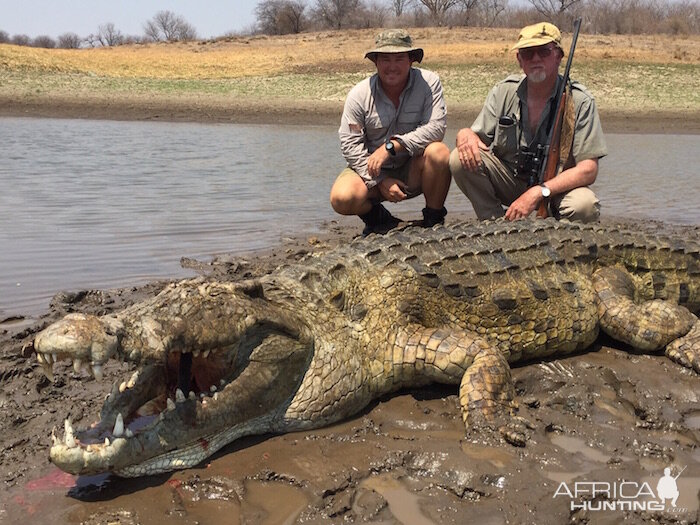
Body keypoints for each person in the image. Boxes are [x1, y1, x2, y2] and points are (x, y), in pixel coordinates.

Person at [450, 22, 607, 223]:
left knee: (584, 206)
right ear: (519, 59)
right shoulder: (503, 91)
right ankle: (494, 226)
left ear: (558, 56)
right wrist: (464, 134)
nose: (535, 59)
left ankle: (560, 237)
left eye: (543, 51)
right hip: (511, 182)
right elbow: (476, 137)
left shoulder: (580, 100)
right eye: (527, 53)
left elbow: (588, 169)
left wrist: (539, 192)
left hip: (556, 189)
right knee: (459, 158)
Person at [330, 29, 451, 236]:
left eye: (399, 58)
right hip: (372, 171)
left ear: (411, 60)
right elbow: (350, 146)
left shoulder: (429, 83)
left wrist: (393, 146)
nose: (392, 66)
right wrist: (379, 181)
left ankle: (433, 220)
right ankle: (379, 220)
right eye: (385, 59)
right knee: (342, 197)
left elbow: (436, 128)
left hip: (414, 168)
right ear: (375, 61)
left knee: (440, 152)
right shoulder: (359, 94)